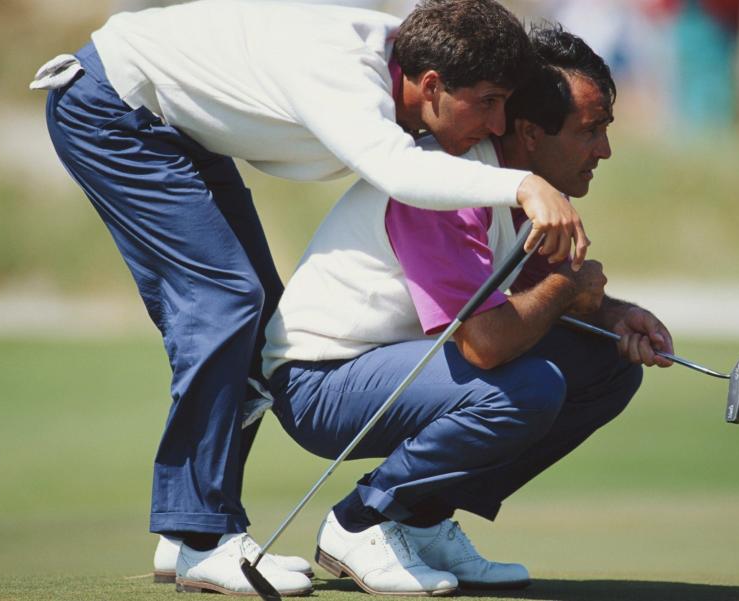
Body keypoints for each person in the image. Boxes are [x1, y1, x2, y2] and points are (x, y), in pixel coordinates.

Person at [31, 0, 592, 595]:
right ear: (430, 85)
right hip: (110, 106)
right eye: (488, 102)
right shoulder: (342, 75)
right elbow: (399, 174)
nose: (500, 123)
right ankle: (201, 537)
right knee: (225, 304)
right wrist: (525, 183)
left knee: (245, 315)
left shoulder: (415, 62)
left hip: (171, 123)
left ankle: (187, 532)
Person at [261, 24, 675, 597]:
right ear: (530, 133)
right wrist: (567, 286)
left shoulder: (523, 194)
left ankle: (421, 521)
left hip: (402, 370)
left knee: (606, 363)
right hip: (321, 381)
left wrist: (612, 315)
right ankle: (360, 523)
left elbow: (535, 300)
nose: (604, 149)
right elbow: (486, 343)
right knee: (524, 386)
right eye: (591, 130)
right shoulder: (450, 185)